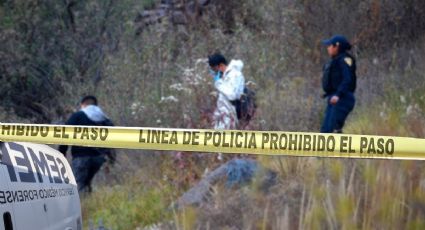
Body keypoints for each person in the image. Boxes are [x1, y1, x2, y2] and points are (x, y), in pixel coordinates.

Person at [59, 95, 115, 193]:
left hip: (81, 157)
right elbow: (113, 139)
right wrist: (111, 159)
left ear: (83, 104)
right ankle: (89, 205)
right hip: (99, 158)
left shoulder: (78, 116)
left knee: (78, 185)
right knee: (87, 183)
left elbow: (65, 134)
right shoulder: (105, 119)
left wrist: (62, 153)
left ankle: (81, 207)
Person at [320, 35, 357, 133]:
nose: (328, 48)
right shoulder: (335, 61)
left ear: (337, 46)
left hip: (343, 98)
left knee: (332, 130)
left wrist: (338, 95)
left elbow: (347, 79)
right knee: (325, 131)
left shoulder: (345, 60)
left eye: (330, 46)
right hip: (334, 98)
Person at [208, 53, 245, 130]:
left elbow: (232, 95)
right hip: (222, 114)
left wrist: (218, 83)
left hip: (230, 115)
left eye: (214, 69)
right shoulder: (225, 76)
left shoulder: (235, 75)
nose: (214, 72)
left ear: (221, 65)